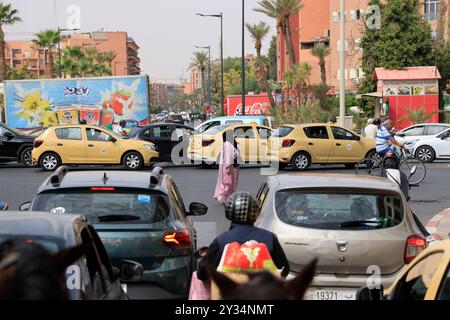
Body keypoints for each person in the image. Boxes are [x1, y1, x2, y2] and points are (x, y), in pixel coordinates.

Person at [197, 192, 290, 281]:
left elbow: (202, 274)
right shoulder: (269, 238)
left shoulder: (221, 241)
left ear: (229, 213)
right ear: (255, 213)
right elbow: (284, 270)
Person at [214, 130, 240, 203]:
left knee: (228, 182)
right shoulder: (227, 144)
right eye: (233, 134)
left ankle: (225, 197)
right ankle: (226, 198)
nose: (234, 136)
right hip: (229, 167)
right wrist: (228, 168)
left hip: (232, 166)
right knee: (228, 183)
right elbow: (228, 157)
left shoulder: (230, 144)